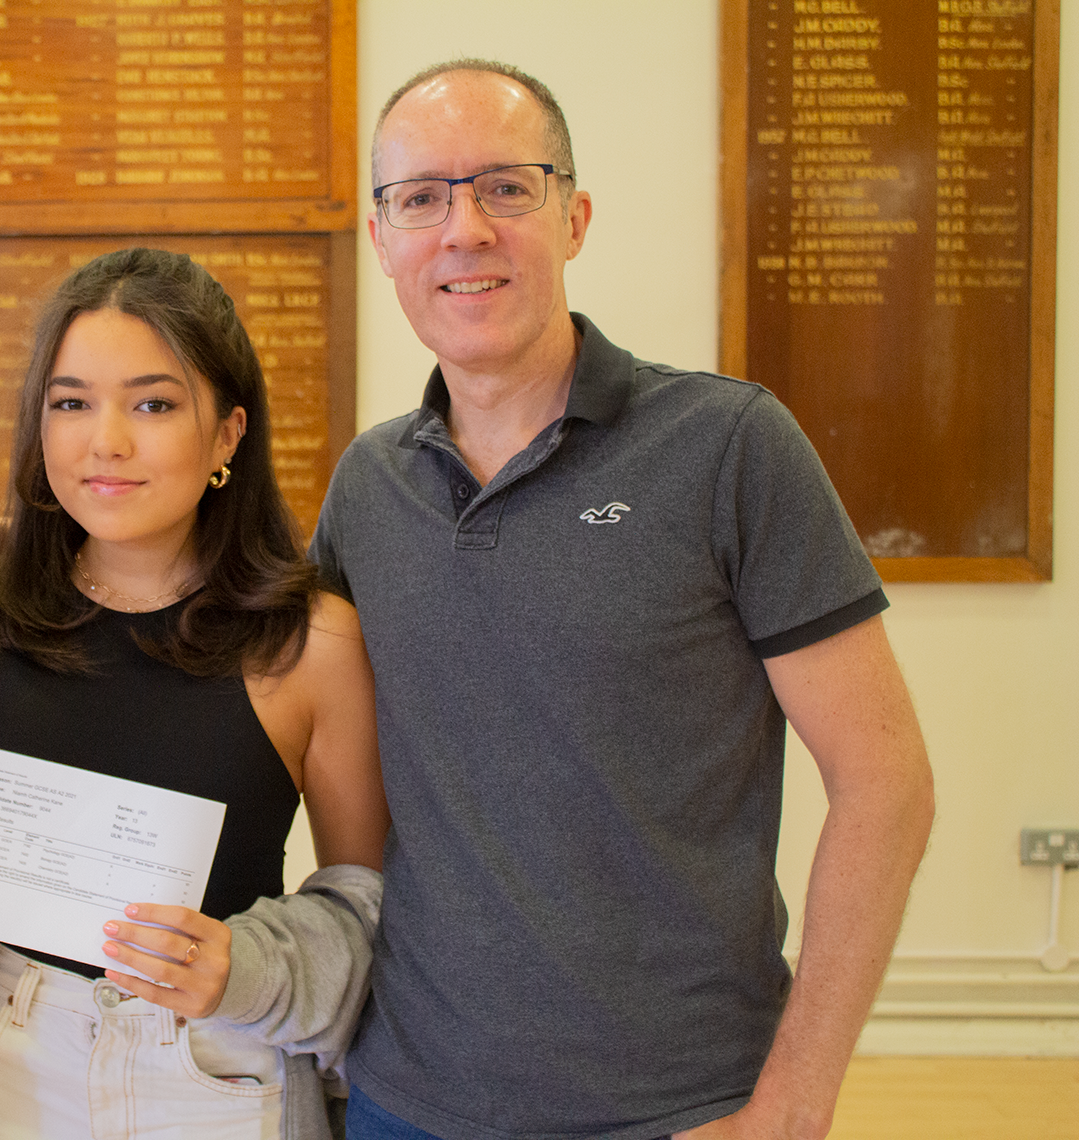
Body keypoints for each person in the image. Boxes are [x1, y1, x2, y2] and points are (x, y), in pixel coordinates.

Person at [311, 60, 936, 1140]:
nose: (462, 228)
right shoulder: (367, 488)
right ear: (382, 239)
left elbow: (885, 786)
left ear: (572, 217)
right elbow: (231, 646)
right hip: (404, 1100)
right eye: (420, 197)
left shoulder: (728, 448)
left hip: (677, 1108)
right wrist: (40, 553)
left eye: (504, 186)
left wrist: (791, 1107)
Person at [0, 247, 391, 1140]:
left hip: (214, 1064)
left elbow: (371, 906)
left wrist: (246, 968)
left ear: (226, 434)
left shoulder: (314, 641)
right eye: (70, 403)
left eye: (152, 403)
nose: (104, 440)